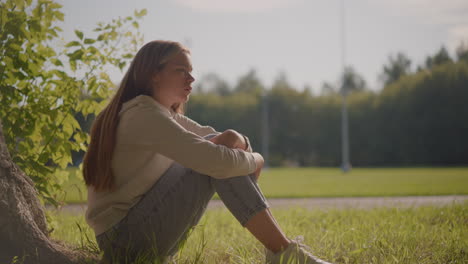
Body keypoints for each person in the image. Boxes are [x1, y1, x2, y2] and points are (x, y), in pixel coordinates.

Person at [82, 40, 333, 264]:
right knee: (217, 158)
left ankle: (282, 252)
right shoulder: (144, 115)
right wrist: (256, 159)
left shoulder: (160, 113)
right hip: (125, 243)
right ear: (153, 74)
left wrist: (241, 140)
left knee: (217, 150)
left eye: (191, 72)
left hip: (131, 235)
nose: (191, 79)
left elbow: (219, 140)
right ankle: (284, 253)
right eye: (181, 71)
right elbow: (219, 160)